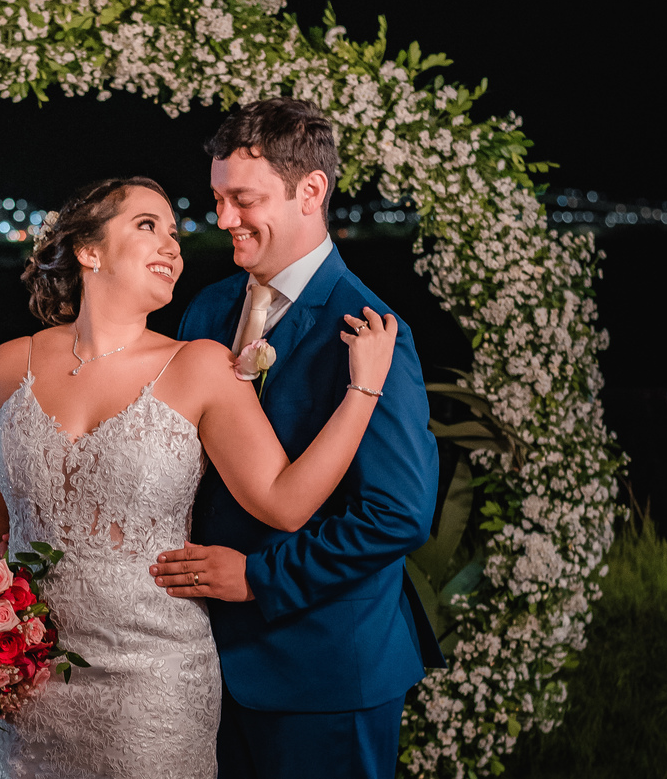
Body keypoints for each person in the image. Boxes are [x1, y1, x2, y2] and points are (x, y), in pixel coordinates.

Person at [0, 175, 398, 779]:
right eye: (148, 226)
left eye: (175, 233)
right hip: (25, 682)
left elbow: (285, 502)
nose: (172, 245)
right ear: (88, 251)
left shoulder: (200, 366)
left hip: (154, 684)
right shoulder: (8, 366)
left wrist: (363, 389)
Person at [150, 98, 445, 779]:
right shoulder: (208, 309)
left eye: (243, 200)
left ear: (311, 191)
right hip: (203, 665)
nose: (224, 219)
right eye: (218, 199)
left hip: (325, 674)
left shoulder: (371, 330)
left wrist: (258, 578)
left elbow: (397, 514)